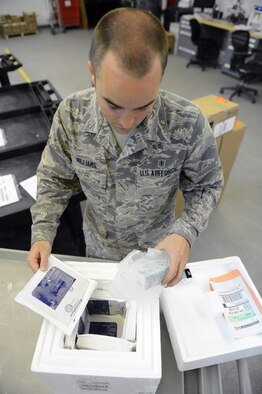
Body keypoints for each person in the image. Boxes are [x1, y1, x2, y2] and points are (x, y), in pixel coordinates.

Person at [27, 7, 223, 287]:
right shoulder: (71, 114)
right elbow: (54, 179)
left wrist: (185, 232)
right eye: (113, 105)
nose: (128, 121)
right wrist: (43, 232)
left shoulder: (187, 122)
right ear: (92, 72)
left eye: (144, 105)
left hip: (157, 256)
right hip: (98, 252)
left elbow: (207, 186)